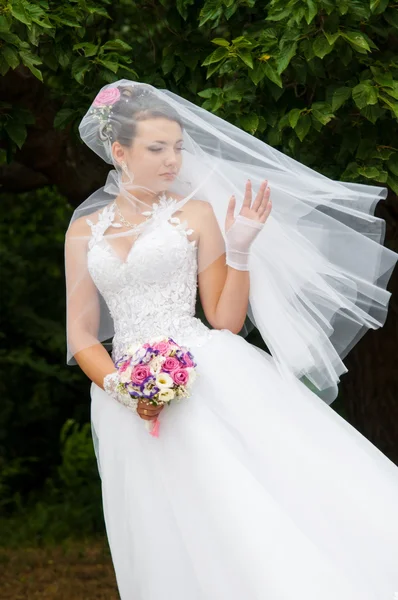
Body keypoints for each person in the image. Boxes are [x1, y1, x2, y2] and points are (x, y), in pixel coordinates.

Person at [64, 80, 398, 599]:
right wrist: (124, 390)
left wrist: (240, 248)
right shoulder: (84, 230)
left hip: (203, 378)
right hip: (124, 397)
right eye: (158, 149)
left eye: (177, 147)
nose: (173, 160)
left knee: (233, 511)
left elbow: (224, 318)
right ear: (119, 151)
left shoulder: (195, 213)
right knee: (160, 529)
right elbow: (81, 333)